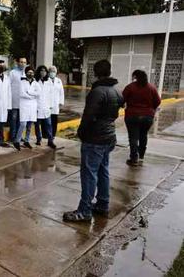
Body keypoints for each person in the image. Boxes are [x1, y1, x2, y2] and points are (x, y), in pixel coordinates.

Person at [63, 60, 124, 222]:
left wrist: (81, 132)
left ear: (95, 72)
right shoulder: (116, 91)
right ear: (109, 71)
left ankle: (84, 210)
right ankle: (103, 203)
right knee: (103, 170)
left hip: (95, 138)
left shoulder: (97, 92)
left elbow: (88, 116)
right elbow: (116, 112)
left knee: (89, 174)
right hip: (109, 137)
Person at [122, 69, 161, 166]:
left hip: (132, 116)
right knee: (143, 135)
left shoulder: (130, 87)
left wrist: (123, 105)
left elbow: (122, 98)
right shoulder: (151, 88)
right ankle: (141, 156)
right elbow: (158, 101)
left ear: (135, 77)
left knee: (133, 137)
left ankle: (134, 159)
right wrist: (152, 109)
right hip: (147, 117)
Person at [13, 66, 39, 150]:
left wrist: (29, 92)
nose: (30, 74)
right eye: (29, 72)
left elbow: (39, 93)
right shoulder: (22, 82)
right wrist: (32, 96)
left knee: (29, 125)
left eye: (32, 72)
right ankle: (17, 141)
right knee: (23, 124)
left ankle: (26, 141)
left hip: (32, 106)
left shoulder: (36, 83)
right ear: (26, 73)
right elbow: (22, 93)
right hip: (24, 105)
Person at [34, 65, 56, 149]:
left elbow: (51, 95)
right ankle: (38, 139)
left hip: (46, 107)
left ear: (46, 72)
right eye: (41, 70)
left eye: (44, 71)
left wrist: (50, 106)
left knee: (49, 124)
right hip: (38, 107)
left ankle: (50, 141)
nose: (43, 72)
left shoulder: (49, 81)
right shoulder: (35, 81)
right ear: (39, 72)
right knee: (37, 125)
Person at [9, 57, 27, 142]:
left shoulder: (26, 73)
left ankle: (19, 136)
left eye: (24, 62)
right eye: (21, 62)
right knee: (13, 120)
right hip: (14, 101)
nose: (22, 64)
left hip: (23, 102)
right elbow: (8, 86)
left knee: (21, 120)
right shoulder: (12, 73)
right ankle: (12, 137)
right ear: (18, 63)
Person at [48, 65, 65, 138]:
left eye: (54, 71)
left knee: (54, 120)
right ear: (49, 72)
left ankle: (53, 134)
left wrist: (61, 102)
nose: (52, 73)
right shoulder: (46, 80)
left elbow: (61, 92)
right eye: (51, 71)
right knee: (48, 121)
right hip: (48, 104)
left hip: (56, 104)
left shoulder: (59, 81)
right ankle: (47, 134)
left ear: (56, 72)